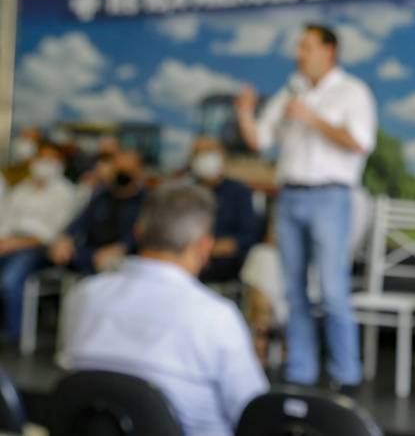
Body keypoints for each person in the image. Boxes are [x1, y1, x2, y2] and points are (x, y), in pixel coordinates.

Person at [59, 183, 269, 436]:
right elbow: (256, 414)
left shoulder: (84, 295)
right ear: (204, 246)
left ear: (138, 233)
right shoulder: (216, 316)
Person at [235, 23, 377, 390]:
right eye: (299, 47)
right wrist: (245, 113)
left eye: (306, 47)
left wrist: (312, 118)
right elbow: (260, 141)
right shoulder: (290, 92)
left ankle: (347, 376)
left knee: (332, 291)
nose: (299, 54)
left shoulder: (352, 92)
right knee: (292, 291)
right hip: (290, 196)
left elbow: (360, 142)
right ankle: (301, 372)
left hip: (331, 197)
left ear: (329, 51)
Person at [0, 143, 77, 340]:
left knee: (10, 280)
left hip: (41, 249)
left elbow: (56, 233)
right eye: (42, 158)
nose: (45, 164)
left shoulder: (66, 192)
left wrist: (19, 243)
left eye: (52, 159)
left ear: (61, 164)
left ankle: (14, 333)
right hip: (10, 242)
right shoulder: (21, 190)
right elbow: (6, 220)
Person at [49, 150, 147, 273]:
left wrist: (121, 248)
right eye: (119, 169)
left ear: (139, 171)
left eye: (128, 170)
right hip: (91, 254)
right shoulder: (101, 196)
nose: (123, 174)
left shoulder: (147, 201)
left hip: (124, 260)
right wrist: (66, 238)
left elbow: (138, 235)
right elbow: (81, 221)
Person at [187, 136, 259, 284]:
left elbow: (248, 236)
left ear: (223, 155)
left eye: (209, 151)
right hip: (188, 261)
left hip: (226, 265)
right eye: (199, 153)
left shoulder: (239, 192)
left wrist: (211, 250)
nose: (205, 157)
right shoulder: (186, 193)